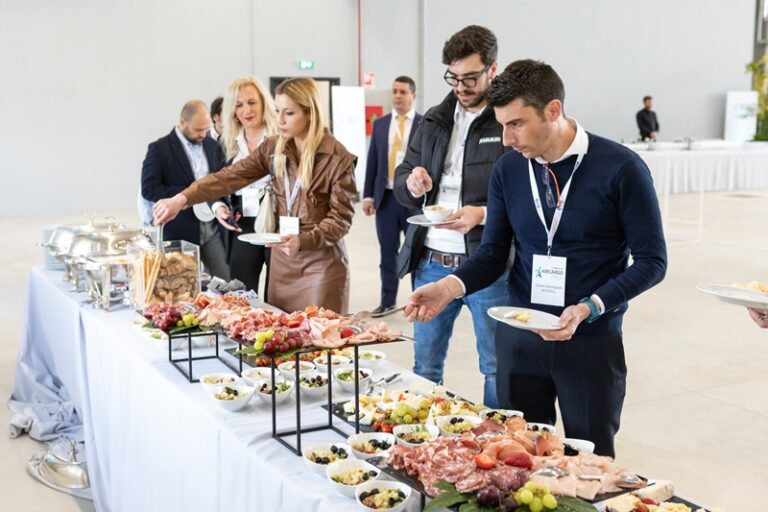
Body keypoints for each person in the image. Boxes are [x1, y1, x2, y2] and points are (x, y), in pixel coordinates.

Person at [404, 59, 668, 457]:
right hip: (520, 336)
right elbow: (493, 252)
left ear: (553, 110)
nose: (506, 138)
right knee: (517, 456)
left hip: (589, 339)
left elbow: (652, 261)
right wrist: (448, 288)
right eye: (502, 125)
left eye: (516, 124)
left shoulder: (621, 168)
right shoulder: (508, 169)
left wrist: (590, 307)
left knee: (588, 460)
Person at [153, 78, 357, 313]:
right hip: (283, 262)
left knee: (320, 332)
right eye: (278, 111)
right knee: (280, 332)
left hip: (320, 266)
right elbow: (228, 177)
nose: (280, 120)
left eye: (289, 113)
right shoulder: (274, 147)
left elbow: (340, 220)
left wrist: (304, 240)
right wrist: (182, 199)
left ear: (310, 113)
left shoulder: (338, 158)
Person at [393, 25, 509, 408]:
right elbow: (400, 181)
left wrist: (483, 214)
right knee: (425, 367)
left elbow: (525, 195)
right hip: (430, 263)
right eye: (454, 77)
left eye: (470, 78)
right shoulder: (433, 119)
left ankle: (497, 438)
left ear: (493, 68)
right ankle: (425, 437)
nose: (461, 86)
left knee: (496, 367)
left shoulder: (507, 122)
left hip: (488, 266)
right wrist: (412, 184)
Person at [141, 100, 230, 279]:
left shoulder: (212, 145)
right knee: (183, 283)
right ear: (182, 122)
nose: (203, 134)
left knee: (224, 279)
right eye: (198, 130)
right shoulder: (160, 149)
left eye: (206, 129)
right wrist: (189, 193)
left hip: (213, 226)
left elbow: (220, 180)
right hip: (180, 228)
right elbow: (149, 188)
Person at [210, 77, 278, 296]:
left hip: (277, 220)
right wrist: (218, 206)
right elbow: (213, 184)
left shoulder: (281, 137)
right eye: (239, 105)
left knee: (277, 294)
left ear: (264, 103)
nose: (246, 110)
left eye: (252, 102)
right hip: (241, 223)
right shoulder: (225, 143)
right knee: (242, 293)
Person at [362, 76, 423, 315]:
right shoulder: (381, 124)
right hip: (386, 198)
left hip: (413, 199)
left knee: (416, 252)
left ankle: (419, 300)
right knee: (387, 252)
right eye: (395, 91)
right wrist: (368, 196)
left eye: (403, 92)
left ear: (413, 96)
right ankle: (387, 301)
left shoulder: (424, 124)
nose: (397, 95)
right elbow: (373, 162)